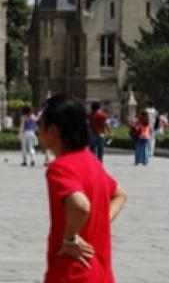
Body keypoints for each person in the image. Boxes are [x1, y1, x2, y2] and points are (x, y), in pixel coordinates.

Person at [37, 93, 126, 282]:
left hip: (72, 273)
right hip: (100, 273)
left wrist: (69, 238)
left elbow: (80, 205)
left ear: (53, 131)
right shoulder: (92, 162)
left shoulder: (60, 167)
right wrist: (101, 219)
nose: (39, 131)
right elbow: (120, 194)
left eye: (40, 125)